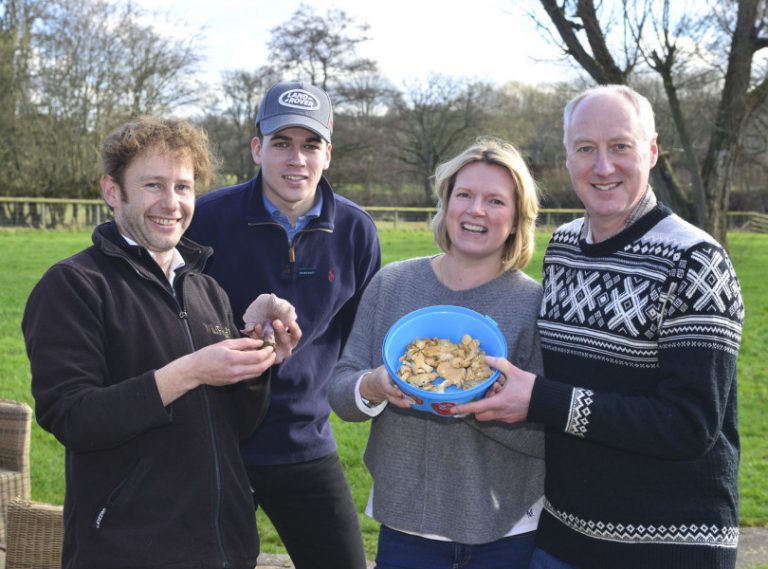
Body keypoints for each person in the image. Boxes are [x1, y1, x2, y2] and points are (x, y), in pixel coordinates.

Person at [454, 85, 744, 569]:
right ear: (567, 159)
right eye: (585, 148)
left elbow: (691, 424)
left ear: (651, 152)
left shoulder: (697, 260)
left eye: (621, 147)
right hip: (563, 537)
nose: (603, 166)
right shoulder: (563, 247)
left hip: (670, 547)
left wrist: (543, 399)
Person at [22, 117, 300, 569]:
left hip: (223, 549)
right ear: (113, 191)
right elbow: (72, 417)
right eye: (153, 185)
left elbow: (237, 426)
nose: (171, 203)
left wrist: (258, 362)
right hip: (126, 552)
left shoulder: (207, 290)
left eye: (184, 187)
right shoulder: (73, 286)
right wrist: (189, 372)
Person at [186, 81, 381, 569]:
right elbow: (171, 321)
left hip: (304, 439)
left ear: (328, 154)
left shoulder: (357, 231)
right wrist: (237, 334)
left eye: (310, 144)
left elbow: (364, 340)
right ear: (257, 149)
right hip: (213, 440)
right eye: (282, 143)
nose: (297, 159)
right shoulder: (205, 220)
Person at [328, 137, 545, 569]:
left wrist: (487, 408)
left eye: (495, 201)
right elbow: (340, 390)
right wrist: (373, 385)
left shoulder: (535, 305)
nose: (476, 210)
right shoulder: (394, 284)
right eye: (464, 195)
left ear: (519, 217)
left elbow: (548, 437)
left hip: (506, 532)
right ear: (446, 202)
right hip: (407, 527)